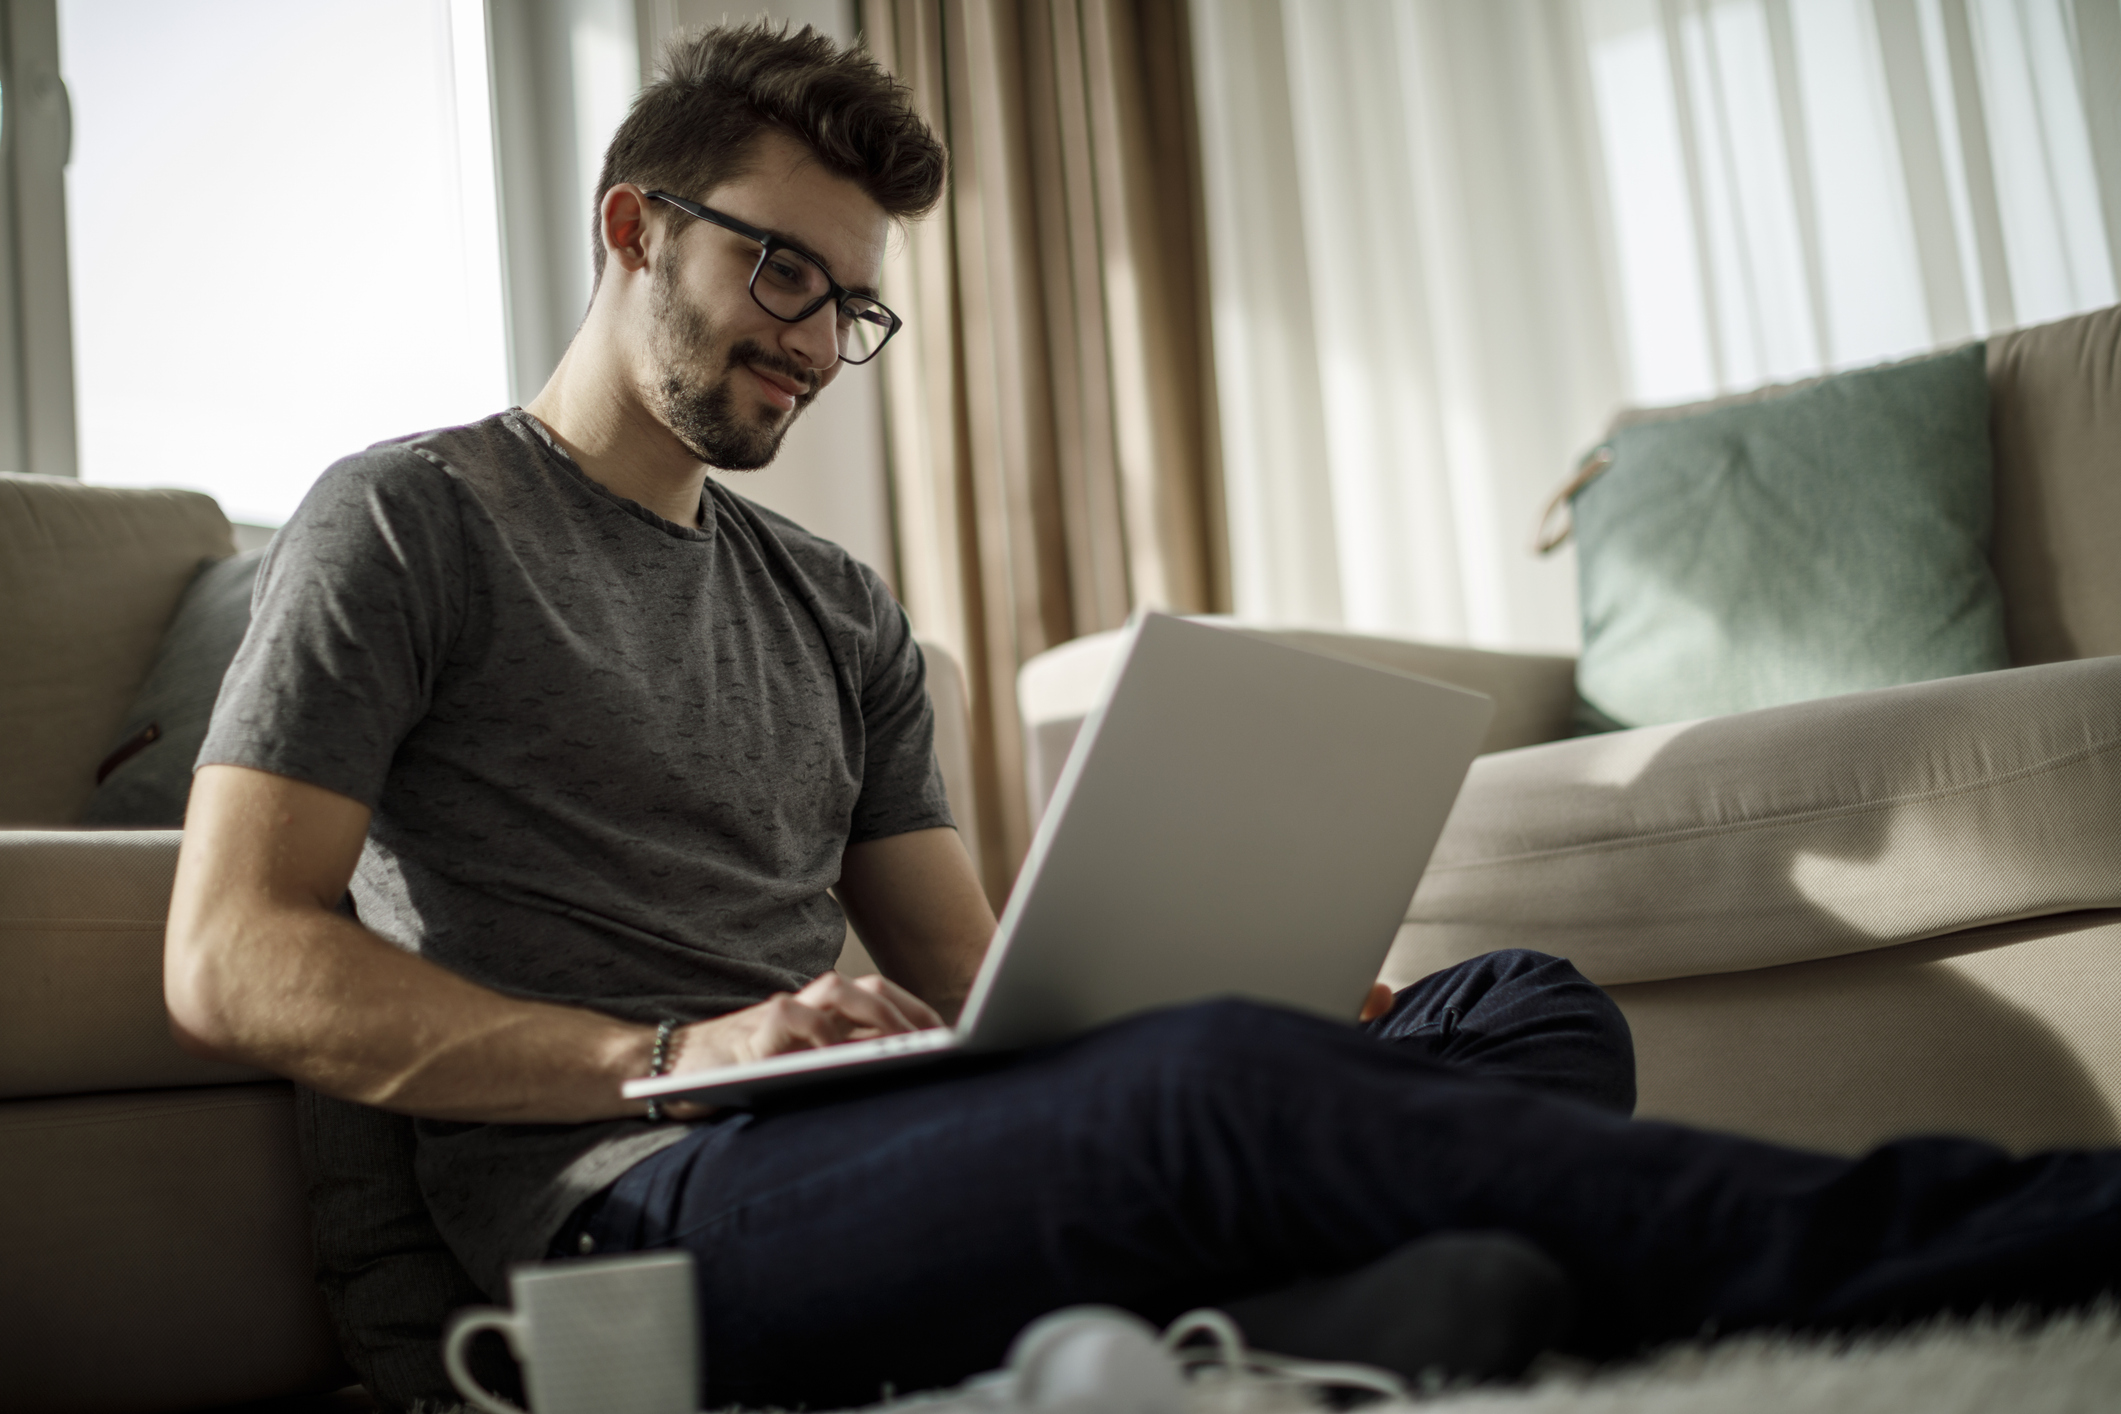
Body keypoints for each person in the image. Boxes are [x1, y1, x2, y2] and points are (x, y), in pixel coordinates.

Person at [165, 21, 2121, 1413]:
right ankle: (2028, 1227)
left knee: (1513, 1000)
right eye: (778, 267)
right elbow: (230, 954)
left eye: (849, 304)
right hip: (637, 1204)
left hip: (864, 1127)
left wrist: (1258, 977)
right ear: (626, 227)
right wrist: (666, 1046)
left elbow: (977, 964)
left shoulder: (829, 601)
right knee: (1207, 1093)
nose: (811, 337)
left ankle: (1359, 1286)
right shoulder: (410, 520)